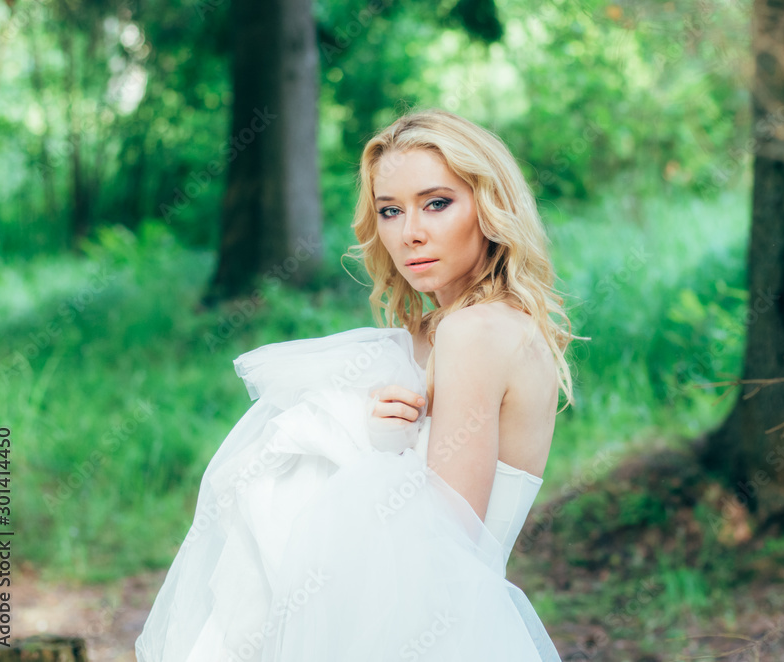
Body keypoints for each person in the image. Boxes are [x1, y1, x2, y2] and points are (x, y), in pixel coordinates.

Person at [135, 108, 575, 661]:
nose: (411, 233)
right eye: (391, 210)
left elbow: (444, 542)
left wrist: (369, 442)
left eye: (437, 203)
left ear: (490, 206)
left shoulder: (475, 332)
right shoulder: (438, 333)